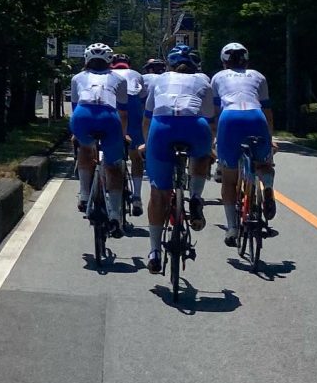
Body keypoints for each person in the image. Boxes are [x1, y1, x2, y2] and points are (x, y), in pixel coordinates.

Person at [140, 45, 216, 274]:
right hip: (194, 127)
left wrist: (147, 143)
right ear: (196, 66)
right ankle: (195, 197)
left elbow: (147, 118)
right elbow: (210, 119)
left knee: (158, 193)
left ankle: (154, 252)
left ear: (170, 65)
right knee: (202, 155)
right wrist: (210, 147)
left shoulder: (159, 80)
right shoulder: (204, 80)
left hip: (161, 129)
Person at [211, 42, 277, 245]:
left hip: (229, 118)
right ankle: (267, 188)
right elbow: (267, 112)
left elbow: (215, 112)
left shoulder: (218, 77)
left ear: (224, 62)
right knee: (265, 162)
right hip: (256, 116)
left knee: (229, 179)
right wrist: (270, 137)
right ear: (246, 60)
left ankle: (232, 228)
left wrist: (215, 137)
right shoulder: (258, 76)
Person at [69, 43, 129, 239]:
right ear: (109, 60)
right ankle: (114, 214)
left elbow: (75, 106)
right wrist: (123, 134)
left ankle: (84, 194)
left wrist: (76, 133)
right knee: (113, 166)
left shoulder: (77, 78)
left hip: (82, 116)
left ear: (86, 59)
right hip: (108, 117)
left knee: (85, 149)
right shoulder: (119, 79)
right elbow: (122, 111)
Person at [111, 53, 146, 216]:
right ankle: (137, 196)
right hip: (133, 104)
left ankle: (107, 191)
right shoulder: (137, 75)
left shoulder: (108, 74)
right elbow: (144, 97)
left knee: (109, 149)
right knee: (136, 154)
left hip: (113, 102)